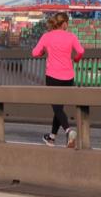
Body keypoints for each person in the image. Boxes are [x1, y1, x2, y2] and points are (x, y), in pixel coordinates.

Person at [32, 13, 84, 148]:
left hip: (53, 76)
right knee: (59, 108)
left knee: (57, 108)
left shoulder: (46, 36)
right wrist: (76, 60)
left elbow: (34, 52)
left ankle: (68, 130)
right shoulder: (71, 36)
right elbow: (81, 51)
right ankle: (51, 137)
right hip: (68, 77)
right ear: (64, 23)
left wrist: (42, 52)